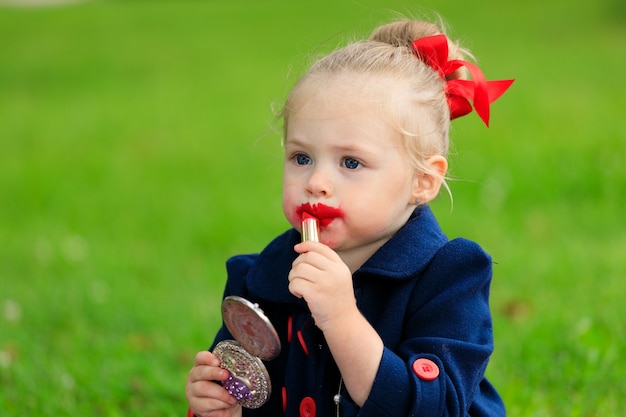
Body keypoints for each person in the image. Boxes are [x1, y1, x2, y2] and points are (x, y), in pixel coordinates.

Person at [186, 17, 513, 417]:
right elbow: (255, 393)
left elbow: (435, 408)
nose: (317, 182)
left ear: (422, 182)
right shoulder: (260, 280)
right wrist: (221, 407)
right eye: (301, 157)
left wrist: (341, 318)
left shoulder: (450, 277)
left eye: (351, 162)